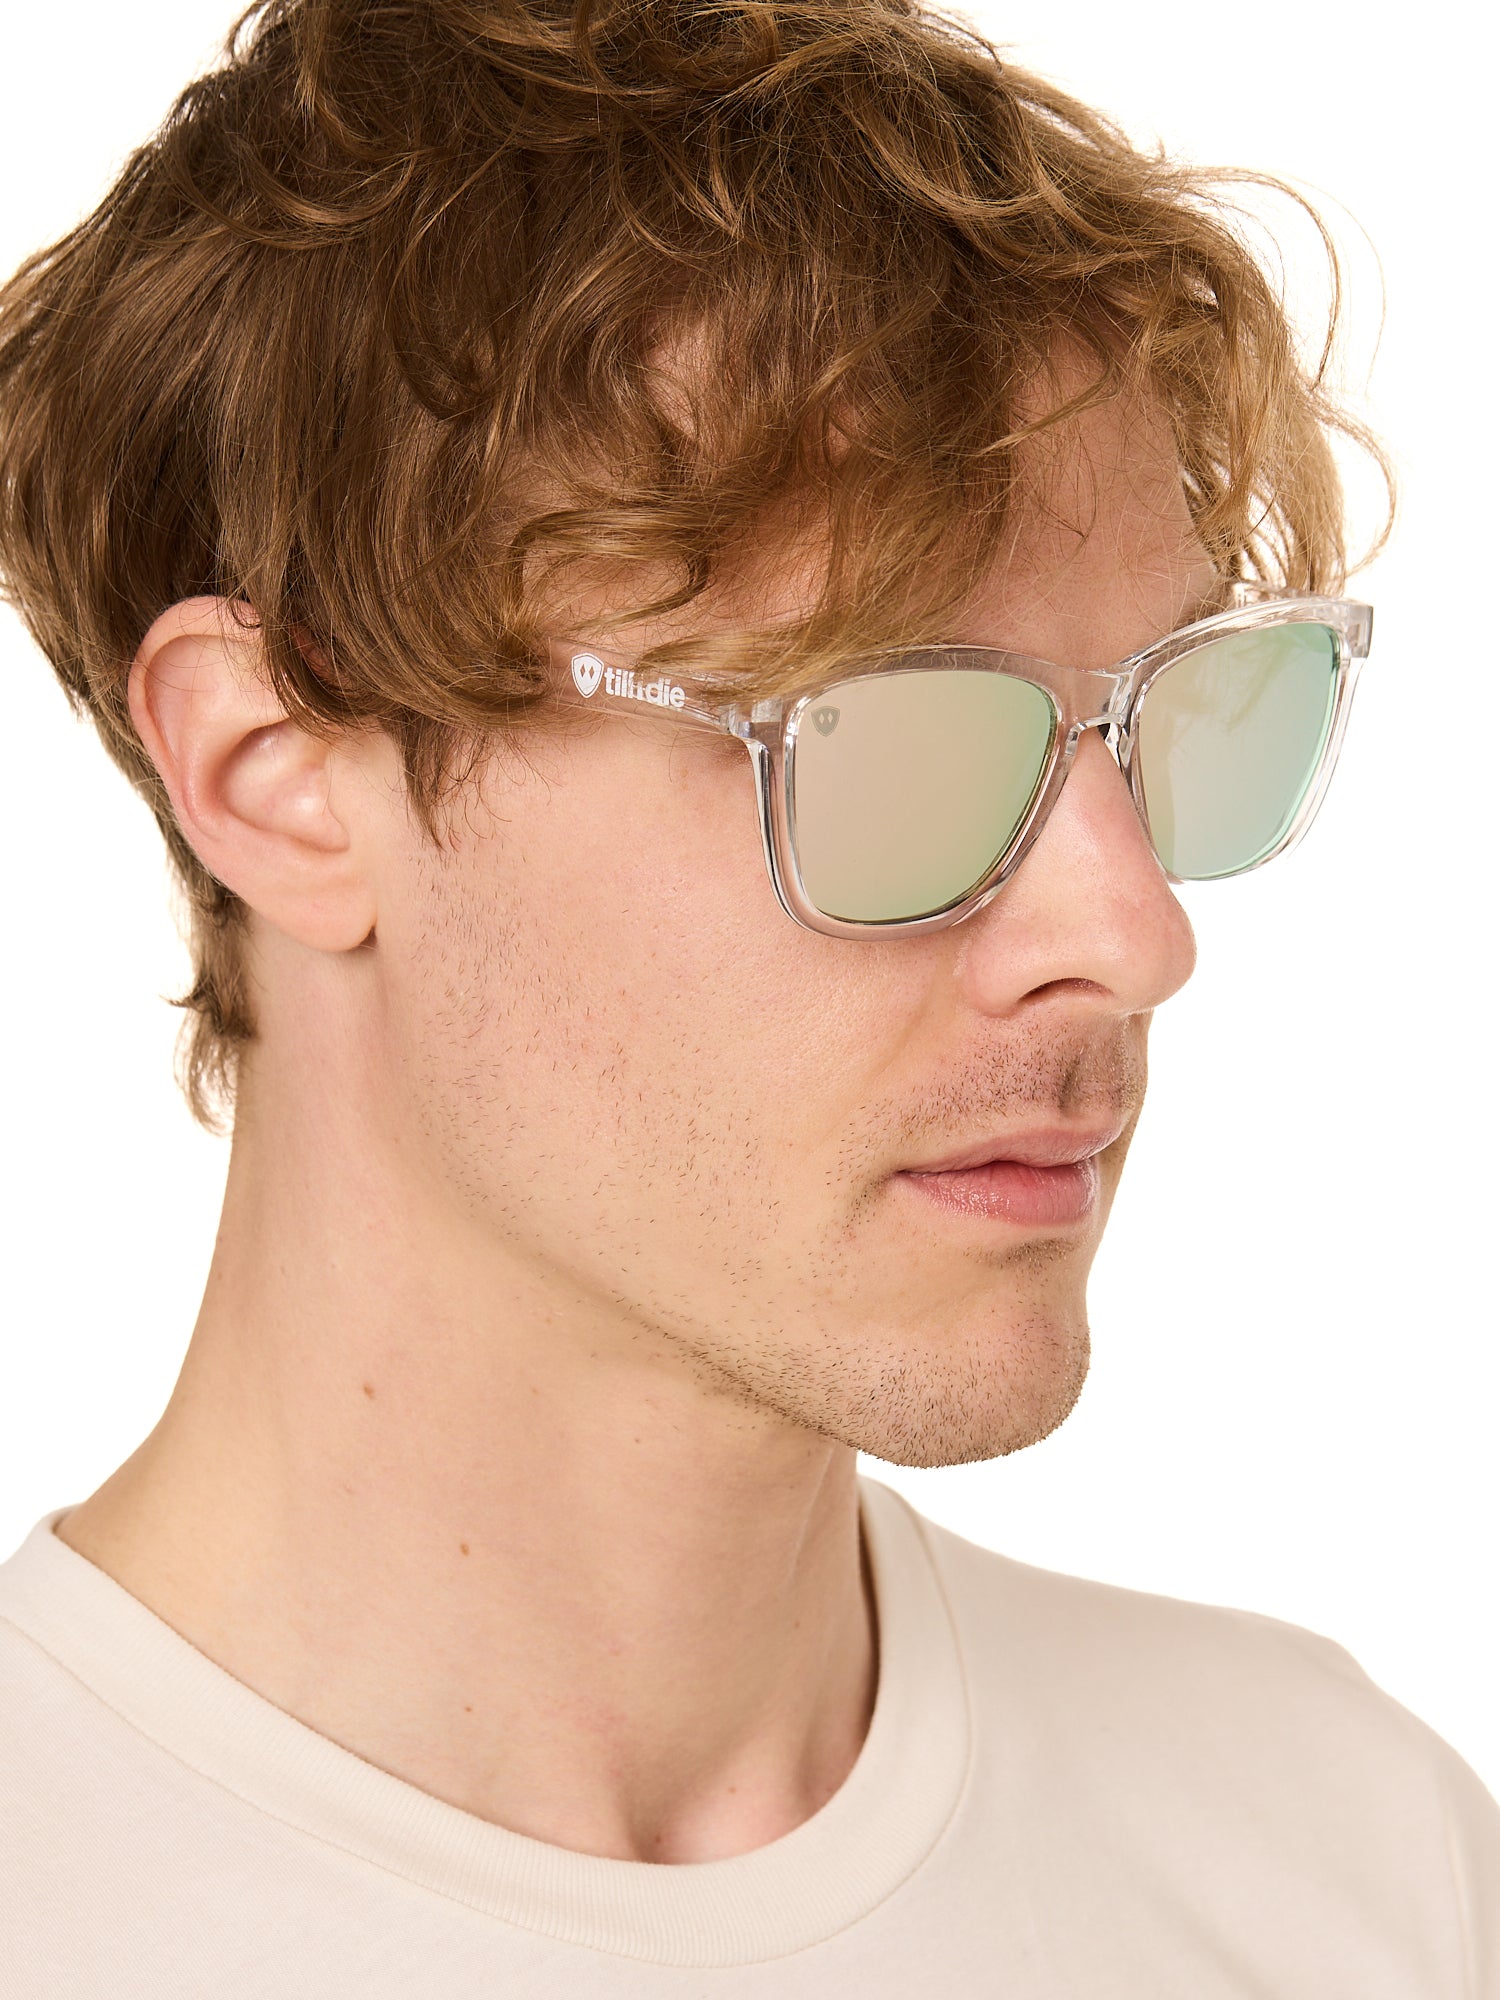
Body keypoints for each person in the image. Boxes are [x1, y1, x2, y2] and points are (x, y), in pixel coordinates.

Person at [0, 0, 1495, 1990]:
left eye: (1157, 725)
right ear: (279, 772)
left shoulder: (1351, 1863)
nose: (1131, 932)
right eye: (888, 738)